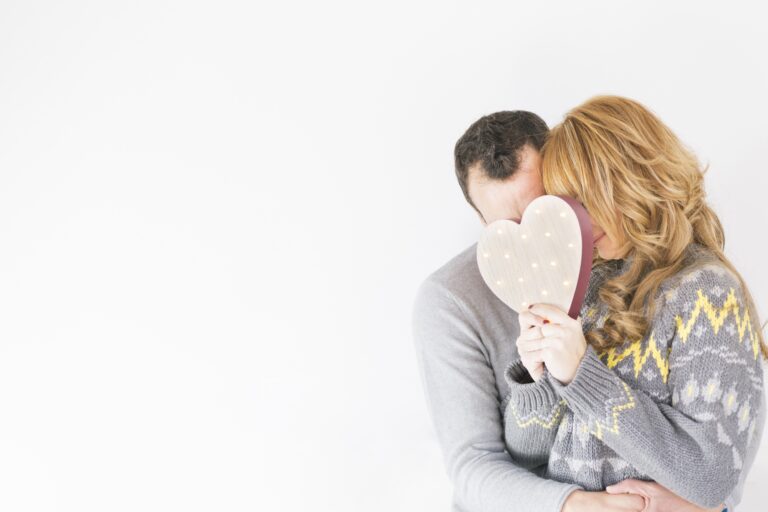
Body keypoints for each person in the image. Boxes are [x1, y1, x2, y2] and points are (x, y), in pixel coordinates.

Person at [411, 108, 765, 512]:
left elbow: (715, 474)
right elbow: (490, 463)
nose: (540, 234)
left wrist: (581, 375)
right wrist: (540, 376)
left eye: (553, 208)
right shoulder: (450, 301)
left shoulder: (701, 290)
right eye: (512, 223)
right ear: (481, 221)